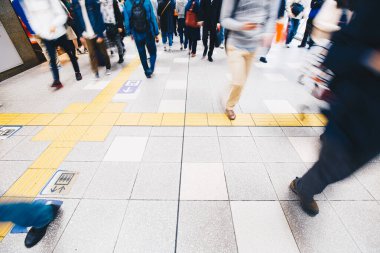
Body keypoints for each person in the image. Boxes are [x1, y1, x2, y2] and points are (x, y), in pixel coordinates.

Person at [290, 0, 380, 216]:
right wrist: (371, 58)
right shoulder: (373, 9)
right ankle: (304, 187)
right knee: (335, 164)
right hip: (355, 109)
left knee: (346, 167)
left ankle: (306, 183)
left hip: (373, 127)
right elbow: (338, 51)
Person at [221, 0, 278, 120]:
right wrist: (241, 26)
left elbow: (271, 16)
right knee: (238, 82)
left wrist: (268, 32)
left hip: (253, 47)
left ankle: (229, 99)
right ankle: (229, 106)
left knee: (241, 83)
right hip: (235, 45)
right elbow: (224, 19)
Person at [21, 0, 82, 90]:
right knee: (52, 60)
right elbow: (31, 19)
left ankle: (77, 72)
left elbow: (62, 15)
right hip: (46, 36)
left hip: (60, 33)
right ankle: (57, 81)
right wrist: (40, 32)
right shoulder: (27, 3)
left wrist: (54, 24)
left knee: (71, 54)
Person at [72, 0, 112, 78]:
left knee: (103, 51)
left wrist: (100, 34)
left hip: (96, 31)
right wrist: (80, 35)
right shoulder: (75, 3)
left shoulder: (91, 1)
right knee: (91, 54)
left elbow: (99, 16)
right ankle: (95, 71)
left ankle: (108, 67)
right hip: (86, 33)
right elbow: (76, 20)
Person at [124, 0, 159, 78]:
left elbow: (126, 20)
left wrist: (129, 32)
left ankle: (147, 71)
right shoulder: (147, 1)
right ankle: (151, 69)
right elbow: (152, 17)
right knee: (153, 52)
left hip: (136, 33)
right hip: (148, 31)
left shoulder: (127, 3)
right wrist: (156, 31)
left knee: (142, 53)